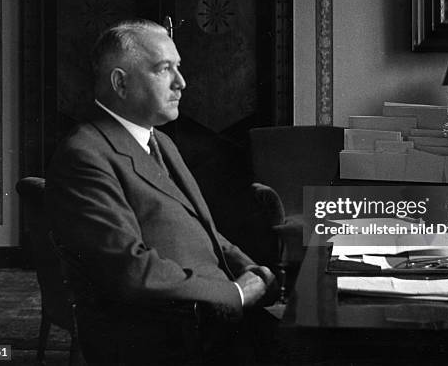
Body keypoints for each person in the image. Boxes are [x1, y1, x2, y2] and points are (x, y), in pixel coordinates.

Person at [46, 20, 279, 364]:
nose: (181, 83)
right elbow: (131, 269)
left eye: (178, 68)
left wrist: (252, 270)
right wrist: (235, 293)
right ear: (120, 83)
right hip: (164, 338)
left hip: (210, 319)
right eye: (164, 69)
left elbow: (202, 231)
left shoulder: (160, 140)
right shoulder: (85, 154)